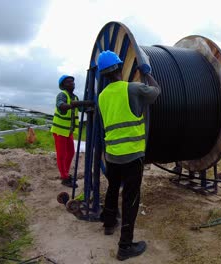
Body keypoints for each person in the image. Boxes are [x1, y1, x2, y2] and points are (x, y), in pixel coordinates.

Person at [97, 50, 161, 261]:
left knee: (113, 189)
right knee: (131, 198)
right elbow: (156, 92)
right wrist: (148, 72)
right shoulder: (132, 88)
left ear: (104, 74)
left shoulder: (102, 96)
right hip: (132, 155)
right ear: (119, 68)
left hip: (112, 154)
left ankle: (108, 224)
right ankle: (125, 246)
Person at [51, 75, 89, 187]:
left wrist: (88, 106)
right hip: (60, 130)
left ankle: (66, 174)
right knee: (61, 154)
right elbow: (61, 106)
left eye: (72, 82)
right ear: (63, 85)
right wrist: (72, 105)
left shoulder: (75, 97)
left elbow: (82, 108)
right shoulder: (62, 95)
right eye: (68, 82)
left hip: (68, 131)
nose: (72, 84)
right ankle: (64, 177)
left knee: (71, 152)